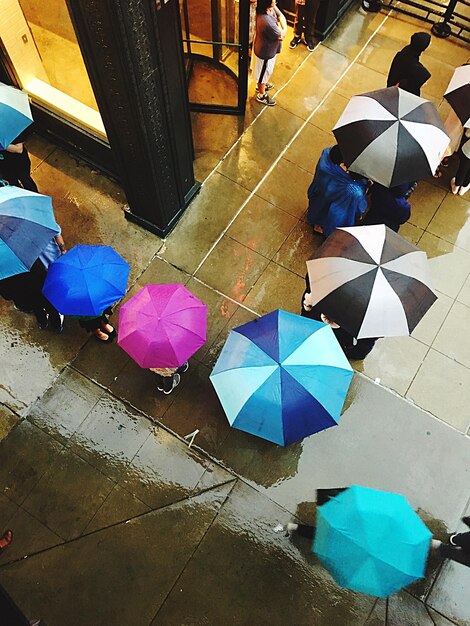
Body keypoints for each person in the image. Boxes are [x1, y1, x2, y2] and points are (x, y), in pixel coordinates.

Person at [301, 273, 378, 360]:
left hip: (317, 316)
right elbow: (363, 347)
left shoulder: (328, 274)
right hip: (341, 333)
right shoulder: (373, 316)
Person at [307, 145, 368, 238]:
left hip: (322, 194)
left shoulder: (326, 154)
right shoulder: (354, 190)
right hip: (336, 215)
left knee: (320, 208)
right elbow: (359, 208)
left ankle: (317, 224)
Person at [253, 0, 287, 107]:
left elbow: (281, 16)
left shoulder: (269, 8)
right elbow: (280, 36)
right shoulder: (266, 21)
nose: (275, 1)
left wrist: (283, 28)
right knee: (263, 73)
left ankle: (262, 85)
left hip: (269, 49)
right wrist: (283, 29)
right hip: (265, 52)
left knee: (265, 72)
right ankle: (261, 94)